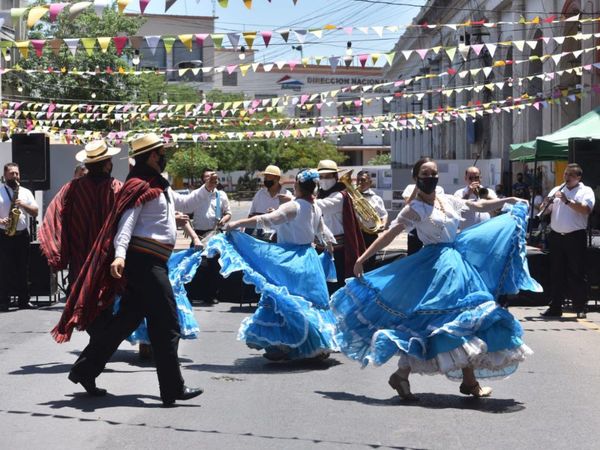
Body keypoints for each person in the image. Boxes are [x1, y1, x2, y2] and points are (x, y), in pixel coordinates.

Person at [330, 157, 541, 401]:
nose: (431, 178)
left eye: (434, 174)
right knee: (439, 324)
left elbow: (478, 206)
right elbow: (389, 234)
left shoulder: (447, 199)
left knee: (465, 320)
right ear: (416, 179)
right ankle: (416, 376)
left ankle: (460, 380)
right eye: (425, 175)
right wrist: (362, 258)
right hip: (434, 268)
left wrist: (508, 200)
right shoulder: (414, 209)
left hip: (457, 264)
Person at [53, 133, 205, 407]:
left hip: (152, 263)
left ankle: (84, 370)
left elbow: (183, 204)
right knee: (167, 323)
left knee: (126, 321)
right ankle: (172, 388)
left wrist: (207, 189)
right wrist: (119, 256)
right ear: (150, 156)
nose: (163, 155)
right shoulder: (138, 185)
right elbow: (126, 223)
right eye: (159, 152)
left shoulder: (158, 184)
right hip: (145, 263)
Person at [206, 169, 338, 361]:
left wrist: (236, 224)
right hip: (309, 259)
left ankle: (284, 344)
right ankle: (315, 344)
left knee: (282, 298)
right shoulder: (314, 206)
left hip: (290, 258)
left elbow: (266, 220)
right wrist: (329, 247)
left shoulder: (295, 206)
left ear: (298, 186)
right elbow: (321, 231)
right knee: (304, 301)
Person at [39, 140, 123, 297]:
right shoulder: (117, 188)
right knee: (104, 304)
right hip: (107, 258)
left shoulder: (73, 188)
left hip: (79, 257)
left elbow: (54, 216)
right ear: (107, 165)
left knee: (79, 301)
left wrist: (59, 250)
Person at [539, 163, 595, 319]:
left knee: (576, 272)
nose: (567, 178)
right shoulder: (557, 190)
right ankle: (555, 306)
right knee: (556, 272)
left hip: (575, 236)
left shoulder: (585, 191)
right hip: (556, 236)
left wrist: (567, 201)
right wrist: (545, 203)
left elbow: (586, 210)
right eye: (565, 174)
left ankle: (580, 306)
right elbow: (543, 210)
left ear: (578, 177)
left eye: (570, 175)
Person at [315, 159, 365, 293]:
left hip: (339, 249)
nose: (324, 180)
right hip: (321, 247)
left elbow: (322, 207)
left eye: (328, 176)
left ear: (335, 177)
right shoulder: (320, 194)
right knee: (322, 284)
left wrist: (299, 201)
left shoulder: (340, 195)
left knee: (337, 285)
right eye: (321, 177)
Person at [186, 168, 232, 305]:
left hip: (214, 234)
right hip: (198, 234)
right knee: (194, 265)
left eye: (213, 177)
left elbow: (228, 213)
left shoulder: (221, 195)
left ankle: (211, 295)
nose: (211, 179)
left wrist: (224, 219)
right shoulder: (196, 194)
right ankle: (192, 294)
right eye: (207, 177)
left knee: (214, 267)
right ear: (203, 180)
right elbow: (186, 213)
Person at [0, 163, 39, 311]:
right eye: (12, 173)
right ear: (5, 175)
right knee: (4, 269)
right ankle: (4, 301)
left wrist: (22, 204)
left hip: (22, 235)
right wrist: (1, 221)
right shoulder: (0, 191)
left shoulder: (26, 192)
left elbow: (35, 211)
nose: (15, 176)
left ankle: (24, 300)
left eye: (17, 173)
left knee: (23, 269)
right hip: (3, 235)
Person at [402, 168, 445, 256]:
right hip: (415, 227)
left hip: (432, 226)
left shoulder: (439, 189)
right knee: (413, 255)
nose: (428, 177)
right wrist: (417, 187)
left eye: (433, 174)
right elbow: (407, 205)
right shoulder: (410, 188)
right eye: (424, 174)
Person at [246, 164, 292, 239]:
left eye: (268, 177)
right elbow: (251, 215)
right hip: (260, 237)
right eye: (265, 177)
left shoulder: (287, 195)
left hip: (280, 237)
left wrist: (276, 214)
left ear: (277, 178)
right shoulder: (259, 194)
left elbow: (291, 220)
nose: (265, 179)